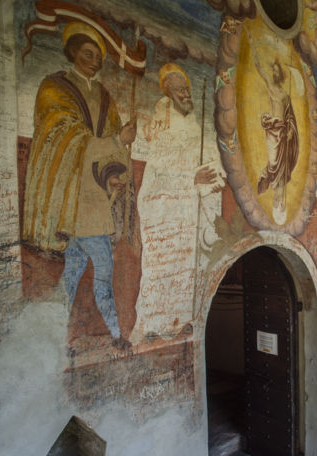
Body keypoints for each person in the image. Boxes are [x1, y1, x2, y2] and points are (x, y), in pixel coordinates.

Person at [22, 22, 135, 350]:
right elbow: (65, 137)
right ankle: (115, 336)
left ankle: (56, 337)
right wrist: (115, 140)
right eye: (88, 54)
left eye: (99, 57)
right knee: (103, 277)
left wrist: (114, 172)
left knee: (71, 278)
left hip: (96, 200)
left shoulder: (105, 96)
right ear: (72, 51)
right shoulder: (53, 87)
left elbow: (114, 152)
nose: (95, 61)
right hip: (73, 201)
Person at [129, 63, 222, 345]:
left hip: (187, 209)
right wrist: (191, 176)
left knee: (185, 266)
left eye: (186, 88)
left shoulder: (192, 123)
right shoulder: (163, 119)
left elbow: (206, 158)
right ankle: (151, 322)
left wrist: (211, 175)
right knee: (160, 267)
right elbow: (160, 167)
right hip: (163, 208)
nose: (185, 93)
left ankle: (180, 320)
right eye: (179, 88)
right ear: (167, 90)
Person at [253, 49, 299, 225]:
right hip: (273, 133)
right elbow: (260, 70)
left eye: (276, 70)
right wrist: (254, 50)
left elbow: (290, 118)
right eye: (272, 70)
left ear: (280, 74)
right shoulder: (271, 87)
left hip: (283, 133)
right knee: (273, 165)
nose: (274, 72)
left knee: (281, 171)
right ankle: (266, 178)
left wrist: (290, 132)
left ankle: (279, 203)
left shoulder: (286, 96)